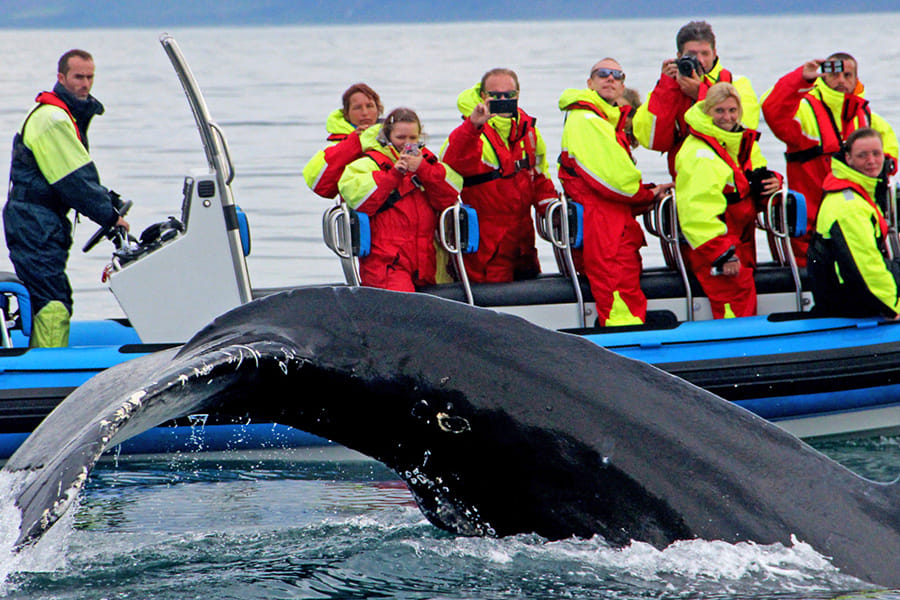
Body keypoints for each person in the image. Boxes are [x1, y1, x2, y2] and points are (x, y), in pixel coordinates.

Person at [4, 49, 129, 348]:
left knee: (54, 294)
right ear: (61, 78)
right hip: (34, 224)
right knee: (53, 301)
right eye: (78, 77)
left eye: (90, 77)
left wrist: (108, 201)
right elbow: (75, 181)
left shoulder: (63, 115)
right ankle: (44, 373)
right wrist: (111, 216)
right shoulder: (52, 119)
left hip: (40, 222)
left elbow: (76, 177)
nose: (85, 84)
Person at [558, 58, 670, 326]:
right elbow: (618, 182)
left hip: (613, 227)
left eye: (617, 76)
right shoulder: (587, 119)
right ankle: (630, 359)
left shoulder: (602, 120)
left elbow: (612, 179)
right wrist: (647, 194)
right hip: (607, 232)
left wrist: (649, 191)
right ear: (590, 82)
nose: (610, 78)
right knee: (620, 306)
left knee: (624, 300)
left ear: (622, 86)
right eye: (603, 74)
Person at [762, 54, 899, 265]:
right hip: (812, 230)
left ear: (856, 79)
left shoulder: (867, 116)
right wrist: (801, 78)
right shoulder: (805, 110)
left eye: (848, 75)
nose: (842, 80)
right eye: (835, 74)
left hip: (859, 224)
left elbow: (890, 150)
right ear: (823, 76)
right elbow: (773, 110)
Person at [674, 82, 781, 319]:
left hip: (737, 244)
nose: (727, 117)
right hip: (717, 248)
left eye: (732, 110)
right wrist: (723, 254)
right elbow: (697, 212)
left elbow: (750, 177)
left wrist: (773, 181)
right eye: (719, 111)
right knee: (734, 309)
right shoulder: (700, 153)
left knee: (741, 302)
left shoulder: (733, 143)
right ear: (707, 111)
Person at [440, 68, 558, 283]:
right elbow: (453, 161)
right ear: (484, 97)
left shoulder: (528, 131)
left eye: (509, 95)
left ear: (518, 95)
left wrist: (553, 211)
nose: (503, 99)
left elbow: (540, 176)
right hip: (487, 247)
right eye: (495, 95)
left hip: (523, 242)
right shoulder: (470, 132)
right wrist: (474, 124)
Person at [337, 107, 462, 292]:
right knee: (402, 308)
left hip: (426, 261)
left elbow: (450, 194)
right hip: (387, 262)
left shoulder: (429, 162)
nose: (406, 144)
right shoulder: (366, 164)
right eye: (400, 138)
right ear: (387, 136)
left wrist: (423, 169)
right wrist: (394, 175)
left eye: (412, 138)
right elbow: (360, 200)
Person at [633, 20, 759, 177]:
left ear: (715, 54)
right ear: (679, 57)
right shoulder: (669, 88)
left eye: (705, 54)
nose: (700, 60)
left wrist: (701, 94)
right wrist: (666, 87)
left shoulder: (737, 83)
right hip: (688, 178)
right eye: (691, 55)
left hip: (734, 177)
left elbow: (742, 131)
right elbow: (652, 140)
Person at [808, 128, 900, 318]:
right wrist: (894, 307)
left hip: (850, 292)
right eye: (862, 155)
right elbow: (866, 268)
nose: (872, 161)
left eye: (876, 154)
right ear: (848, 158)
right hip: (848, 301)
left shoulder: (858, 192)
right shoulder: (848, 206)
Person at [303, 83, 384, 199]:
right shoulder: (340, 144)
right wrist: (355, 141)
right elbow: (320, 186)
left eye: (370, 106)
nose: (365, 112)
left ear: (378, 110)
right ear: (346, 114)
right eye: (357, 108)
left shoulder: (396, 135)